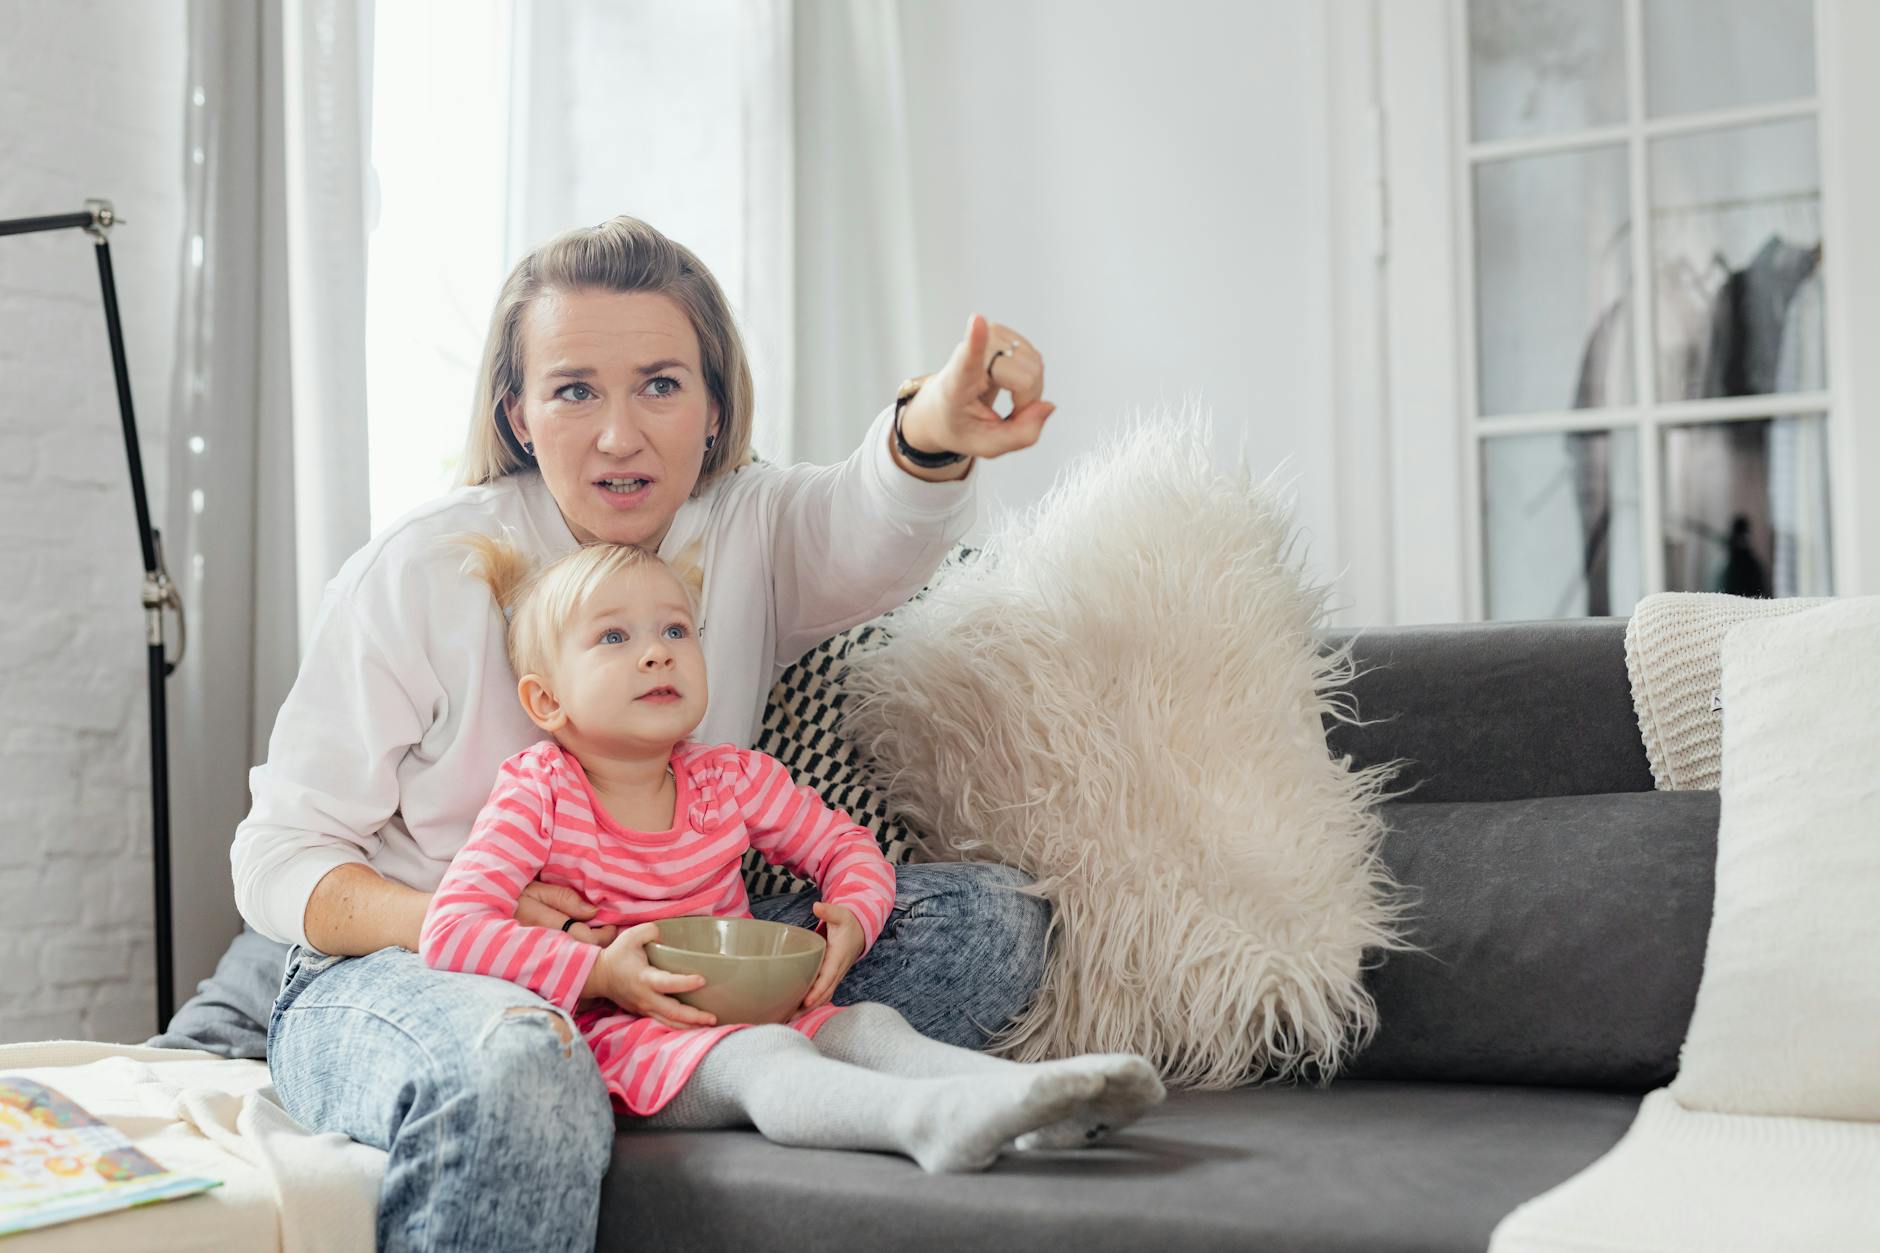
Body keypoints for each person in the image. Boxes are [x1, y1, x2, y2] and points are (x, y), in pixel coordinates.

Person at [233, 215, 1062, 1250]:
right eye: (574, 388)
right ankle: (579, 1080)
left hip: (663, 948)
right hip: (421, 966)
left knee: (990, 924)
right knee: (521, 1067)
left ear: (713, 408)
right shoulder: (420, 569)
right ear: (519, 412)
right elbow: (274, 858)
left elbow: (871, 521)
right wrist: (468, 916)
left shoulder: (749, 522)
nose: (619, 433)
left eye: (661, 385)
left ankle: (648, 1068)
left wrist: (930, 427)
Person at [421, 537, 1163, 1172]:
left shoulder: (730, 779)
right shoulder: (539, 791)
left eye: (677, 630)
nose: (656, 652)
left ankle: (1027, 1103)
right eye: (614, 638)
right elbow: (450, 929)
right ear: (546, 701)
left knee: (868, 1024)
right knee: (766, 1060)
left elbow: (847, 846)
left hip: (754, 1010)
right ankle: (923, 1121)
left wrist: (856, 915)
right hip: (624, 1042)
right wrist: (600, 970)